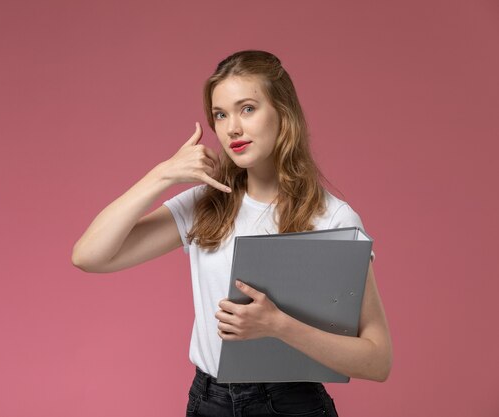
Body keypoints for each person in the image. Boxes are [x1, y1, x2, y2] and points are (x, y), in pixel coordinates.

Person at [71, 50, 392, 417]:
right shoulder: (206, 205)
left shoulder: (333, 218)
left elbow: (377, 360)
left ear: (283, 113)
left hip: (291, 403)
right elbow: (89, 256)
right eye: (220, 115)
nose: (231, 128)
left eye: (248, 109)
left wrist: (279, 326)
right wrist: (162, 175)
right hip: (210, 401)